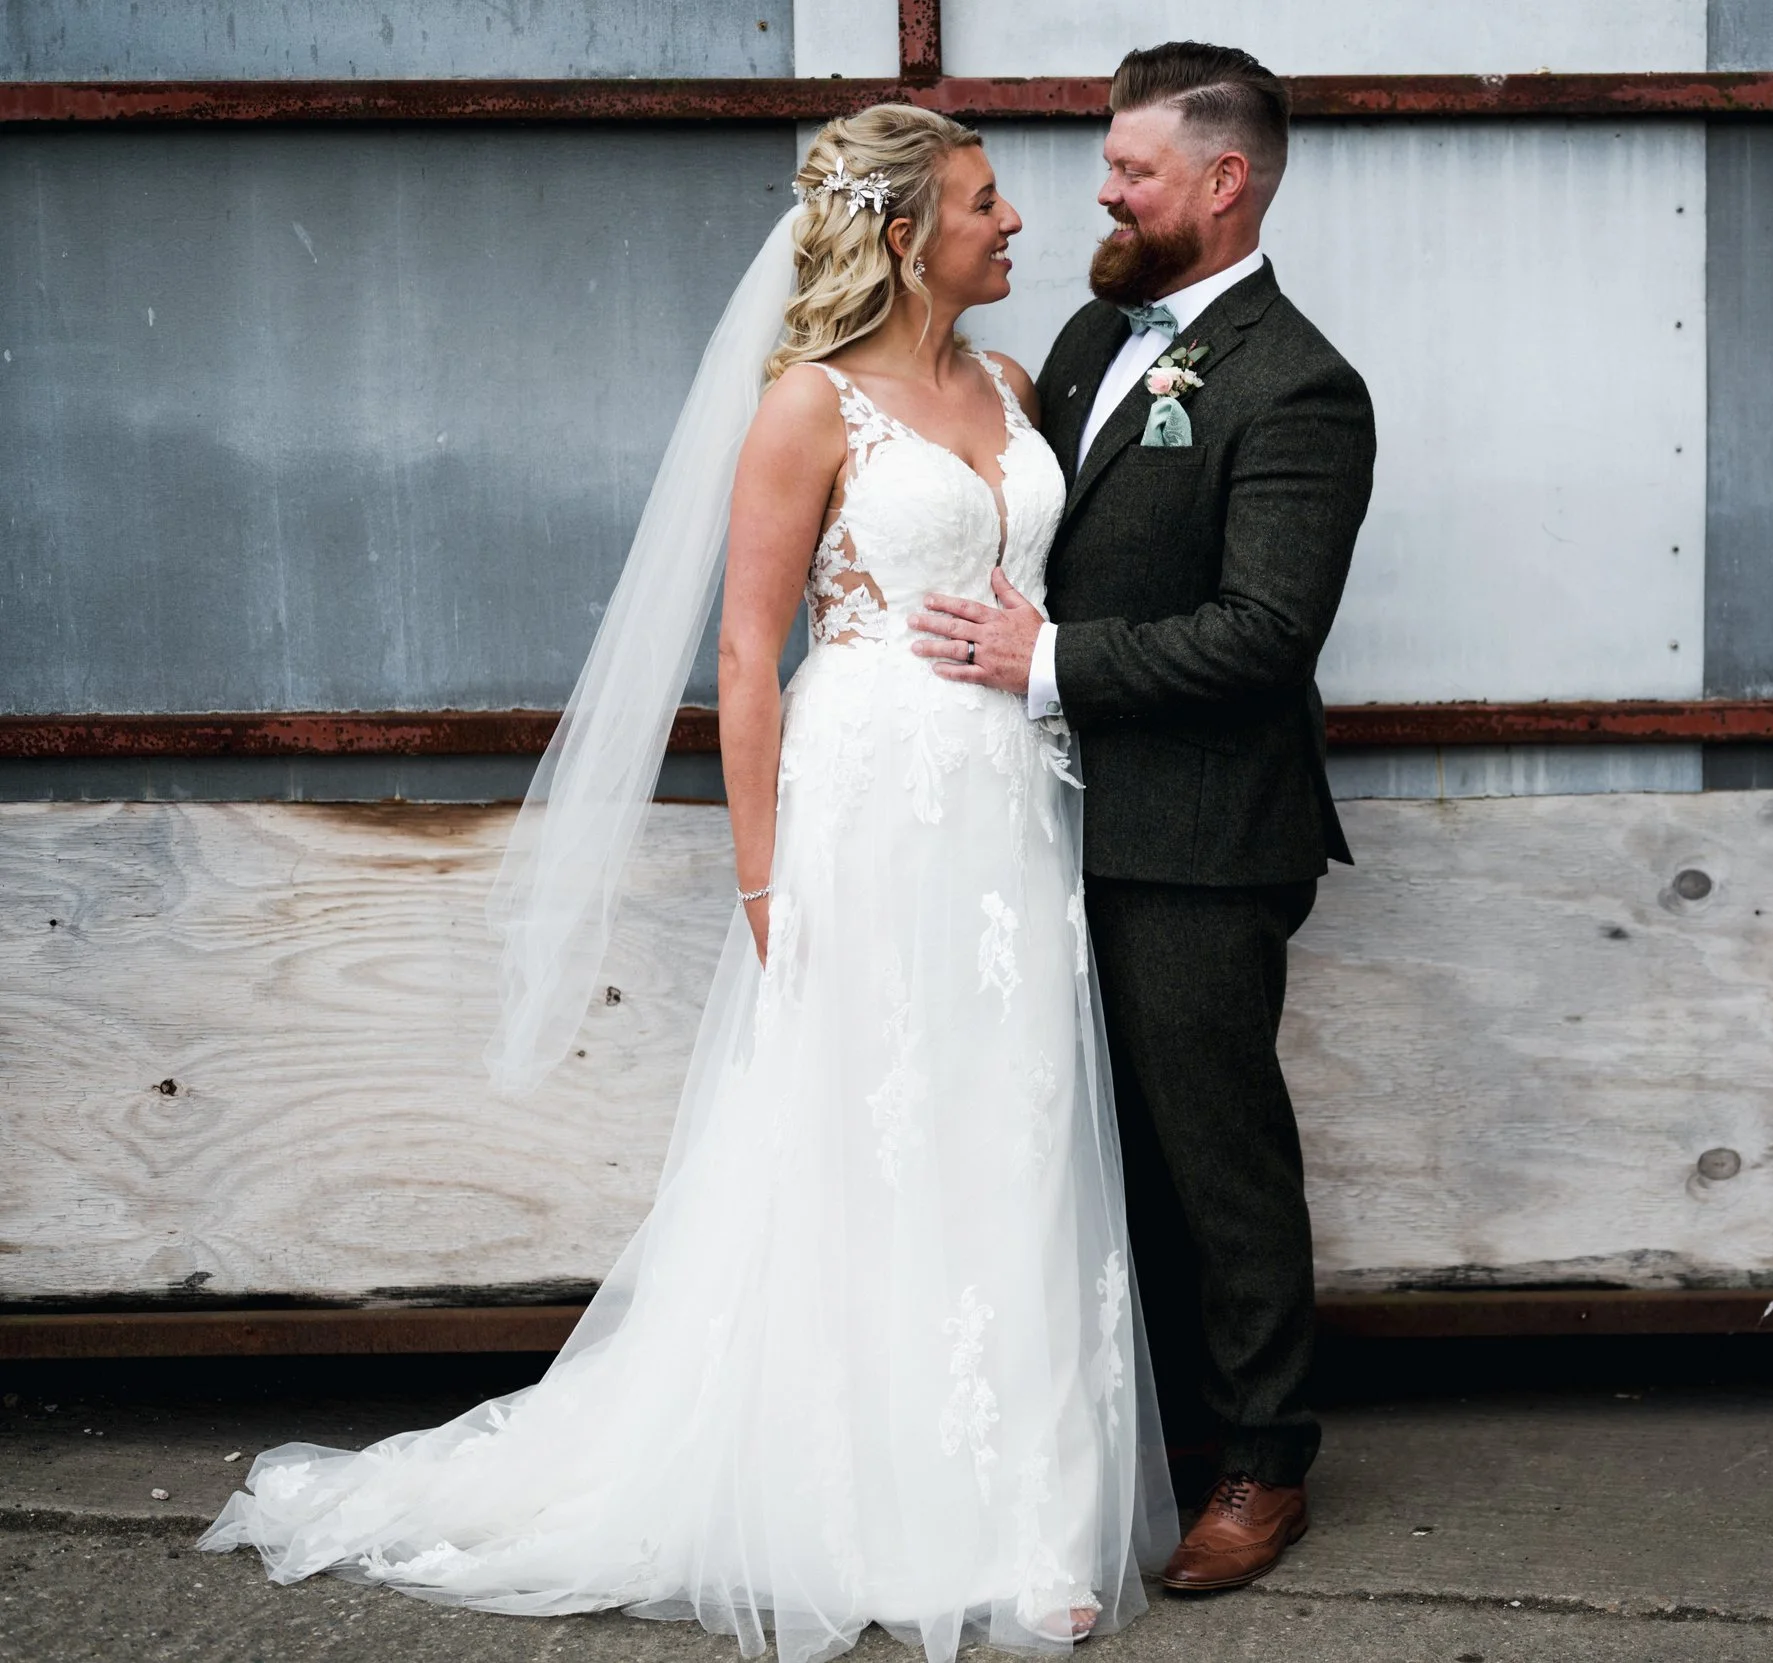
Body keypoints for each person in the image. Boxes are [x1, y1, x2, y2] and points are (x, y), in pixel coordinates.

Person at [198, 106, 1174, 1663]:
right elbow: (746, 651)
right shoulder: (808, 406)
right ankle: (882, 1510)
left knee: (1017, 1118)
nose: (1018, 225)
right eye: (988, 203)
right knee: (878, 1128)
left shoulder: (1005, 381)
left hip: (1009, 807)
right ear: (909, 234)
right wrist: (762, 874)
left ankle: (1028, 1508)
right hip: (869, 805)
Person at [910, 41, 1376, 1592]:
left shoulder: (1301, 385)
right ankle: (1147, 1428)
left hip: (1200, 835)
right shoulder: (1095, 325)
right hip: (1042, 820)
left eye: (1132, 171)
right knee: (1085, 1145)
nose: (1099, 192)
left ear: (1224, 182)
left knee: (1213, 1149)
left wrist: (1046, 663)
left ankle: (1262, 1459)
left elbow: (1264, 633)